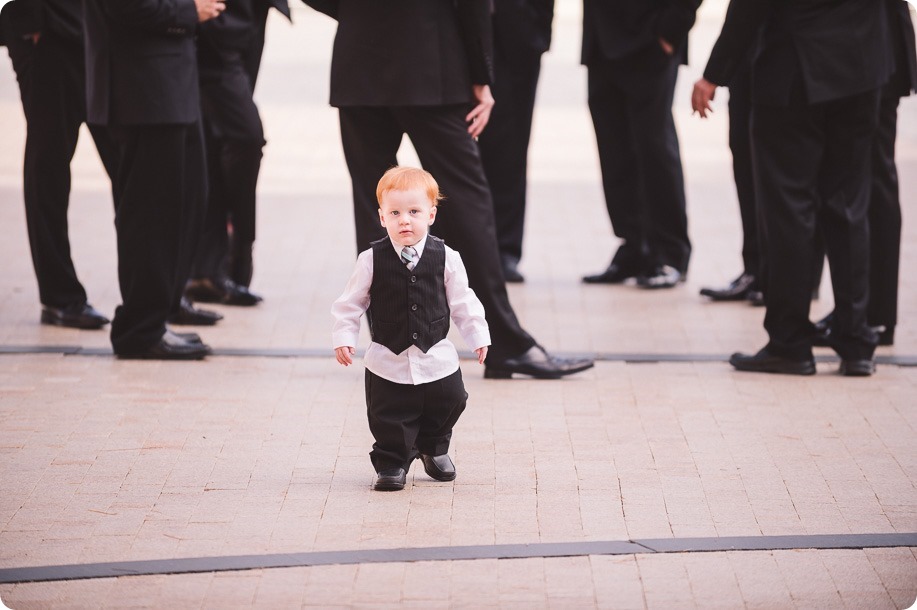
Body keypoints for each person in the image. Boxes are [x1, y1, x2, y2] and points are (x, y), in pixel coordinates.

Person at [302, 0, 594, 380]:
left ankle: (392, 350)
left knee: (377, 207)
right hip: (430, 58)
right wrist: (481, 72)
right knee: (466, 202)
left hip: (361, 60)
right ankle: (504, 343)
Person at [692, 0, 893, 376]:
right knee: (849, 205)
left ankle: (790, 342)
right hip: (863, 63)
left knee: (789, 207)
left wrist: (715, 72)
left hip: (795, 66)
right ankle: (855, 343)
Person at [332, 167, 490, 491]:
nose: (405, 220)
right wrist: (344, 338)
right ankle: (392, 461)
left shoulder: (447, 257)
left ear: (431, 215)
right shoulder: (370, 259)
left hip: (437, 357)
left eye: (414, 211)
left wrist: (477, 336)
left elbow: (463, 301)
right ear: (381, 217)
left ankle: (433, 447)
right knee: (388, 413)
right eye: (395, 212)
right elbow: (351, 303)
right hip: (387, 360)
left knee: (452, 399)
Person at [83, 0, 226, 359]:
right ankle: (140, 329)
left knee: (181, 206)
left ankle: (154, 319)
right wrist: (188, 11)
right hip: (143, 88)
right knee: (151, 216)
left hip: (167, 84)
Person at [0, 0, 118, 329]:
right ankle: (59, 296)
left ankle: (154, 295)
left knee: (131, 165)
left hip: (98, 32)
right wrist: (30, 20)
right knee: (49, 166)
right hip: (47, 33)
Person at [814, 0, 916, 348]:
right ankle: (864, 312)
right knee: (867, 180)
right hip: (867, 47)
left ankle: (870, 315)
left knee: (871, 180)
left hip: (872, 50)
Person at [580, 0, 701, 289]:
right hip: (602, 40)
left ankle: (671, 252)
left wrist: (671, 29)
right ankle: (635, 246)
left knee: (654, 147)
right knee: (614, 151)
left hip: (652, 36)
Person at [184, 0, 290, 307]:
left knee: (219, 144)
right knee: (246, 137)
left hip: (251, 17)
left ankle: (210, 270)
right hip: (209, 24)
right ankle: (236, 255)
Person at [477, 0, 555, 283]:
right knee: (458, 149)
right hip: (458, 39)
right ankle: (459, 248)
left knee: (511, 150)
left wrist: (540, 34)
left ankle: (505, 250)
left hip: (519, 40)